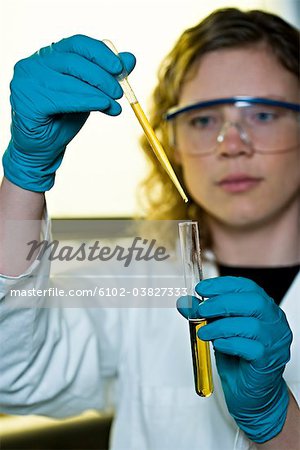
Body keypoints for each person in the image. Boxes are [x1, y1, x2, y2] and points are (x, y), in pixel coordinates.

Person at [0, 7, 299, 450]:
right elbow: (13, 373)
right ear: (170, 142)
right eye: (203, 119)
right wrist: (24, 175)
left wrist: (279, 421)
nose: (233, 145)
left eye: (262, 114)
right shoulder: (134, 281)